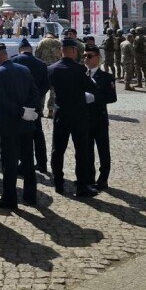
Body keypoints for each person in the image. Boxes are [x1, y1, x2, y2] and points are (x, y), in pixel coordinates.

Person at [0, 42, 40, 209]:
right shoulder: (24, 69)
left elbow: (2, 101)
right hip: (26, 123)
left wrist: (20, 111)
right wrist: (28, 110)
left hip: (9, 124)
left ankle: (9, 198)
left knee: (9, 163)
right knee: (27, 161)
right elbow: (35, 92)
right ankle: (30, 195)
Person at [48, 38, 96, 197]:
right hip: (78, 114)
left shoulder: (52, 69)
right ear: (74, 50)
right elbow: (92, 87)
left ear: (62, 50)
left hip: (61, 112)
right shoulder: (79, 69)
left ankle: (58, 183)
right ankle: (82, 186)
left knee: (57, 150)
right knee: (81, 151)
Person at [12, 38, 49, 173]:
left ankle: (23, 162)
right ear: (31, 50)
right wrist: (36, 98)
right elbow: (46, 85)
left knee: (19, 135)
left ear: (19, 50)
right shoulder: (41, 64)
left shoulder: (13, 61)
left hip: (18, 105)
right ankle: (42, 163)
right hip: (35, 105)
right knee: (38, 134)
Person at [83, 45, 116, 192]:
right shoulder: (82, 75)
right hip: (84, 118)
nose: (86, 59)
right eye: (84, 56)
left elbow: (111, 97)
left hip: (99, 118)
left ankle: (103, 179)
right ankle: (89, 177)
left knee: (103, 150)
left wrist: (95, 98)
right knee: (87, 150)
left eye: (89, 56)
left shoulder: (106, 77)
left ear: (97, 57)